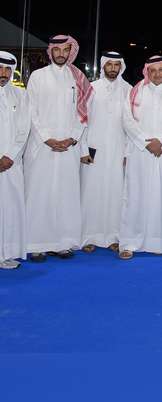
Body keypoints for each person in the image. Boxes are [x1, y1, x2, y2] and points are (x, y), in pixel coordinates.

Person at [24, 35, 93, 262]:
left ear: (70, 51)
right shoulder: (38, 76)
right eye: (57, 50)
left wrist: (72, 139)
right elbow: (30, 111)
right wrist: (47, 139)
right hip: (41, 147)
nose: (61, 54)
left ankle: (63, 242)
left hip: (68, 147)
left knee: (66, 195)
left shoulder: (78, 79)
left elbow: (83, 114)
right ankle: (37, 244)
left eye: (65, 50)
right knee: (39, 195)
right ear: (51, 51)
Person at [119, 55, 162, 258]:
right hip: (140, 151)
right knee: (136, 195)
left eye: (161, 70)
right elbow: (127, 120)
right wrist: (146, 142)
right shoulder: (135, 93)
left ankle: (161, 242)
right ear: (146, 72)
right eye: (153, 70)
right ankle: (131, 242)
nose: (157, 74)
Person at [78, 51, 131, 254]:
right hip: (94, 149)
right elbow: (82, 120)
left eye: (116, 65)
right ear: (103, 66)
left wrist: (128, 152)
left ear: (121, 67)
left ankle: (114, 236)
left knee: (116, 193)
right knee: (90, 193)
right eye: (109, 65)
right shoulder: (91, 88)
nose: (112, 69)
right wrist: (83, 148)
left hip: (119, 150)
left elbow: (132, 123)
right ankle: (88, 236)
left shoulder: (128, 90)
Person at [0, 51, 29, 270]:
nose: (3, 73)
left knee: (9, 209)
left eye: (7, 69)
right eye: (0, 68)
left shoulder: (20, 95)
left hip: (11, 163)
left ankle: (6, 253)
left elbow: (24, 129)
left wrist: (11, 156)